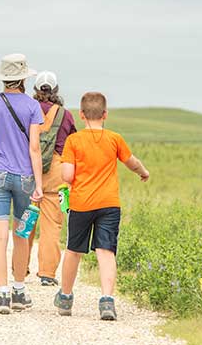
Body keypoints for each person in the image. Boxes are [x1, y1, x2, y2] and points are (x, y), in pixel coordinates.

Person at [55, 92, 150, 321]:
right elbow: (131, 162)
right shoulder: (114, 139)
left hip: (81, 203)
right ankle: (107, 301)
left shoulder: (74, 141)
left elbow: (68, 174)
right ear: (105, 114)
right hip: (109, 203)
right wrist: (143, 172)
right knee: (106, 251)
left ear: (81, 114)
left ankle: (66, 298)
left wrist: (69, 177)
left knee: (74, 250)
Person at [0, 53, 44, 314]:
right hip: (25, 177)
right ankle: (19, 291)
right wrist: (39, 184)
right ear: (23, 78)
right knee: (22, 234)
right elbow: (35, 149)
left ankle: (2, 295)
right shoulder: (32, 107)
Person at [22, 71, 77, 286]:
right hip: (56, 171)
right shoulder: (66, 115)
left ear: (35, 90)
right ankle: (47, 273)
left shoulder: (27, 110)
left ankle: (20, 267)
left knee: (26, 219)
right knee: (51, 225)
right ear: (55, 90)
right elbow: (72, 146)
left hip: (28, 167)